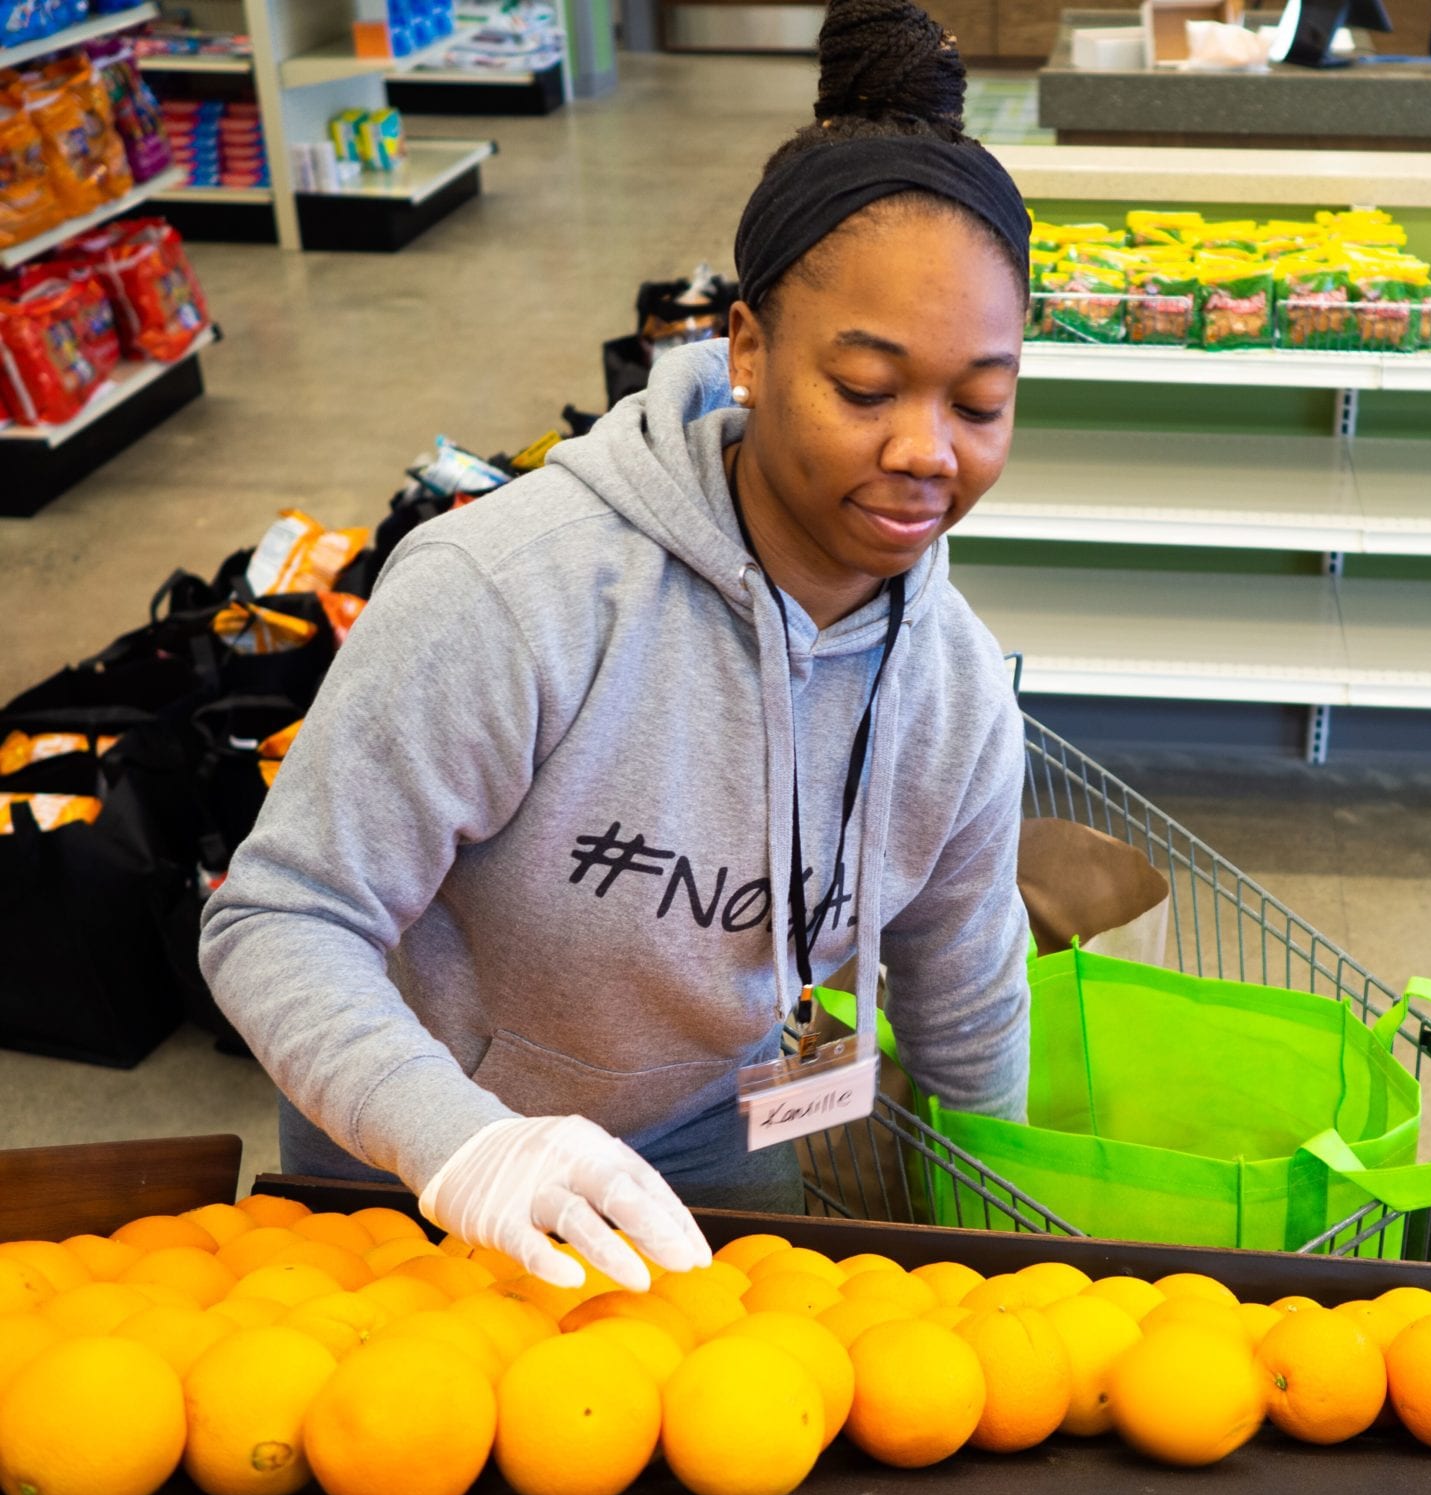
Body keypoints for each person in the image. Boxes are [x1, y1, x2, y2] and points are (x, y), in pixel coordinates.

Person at [199, 0, 1034, 1294]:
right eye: (867, 389)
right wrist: (465, 1151)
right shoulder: (516, 592)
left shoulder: (957, 700)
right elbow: (280, 916)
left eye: (980, 401)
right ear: (746, 348)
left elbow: (967, 1008)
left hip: (699, 1156)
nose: (929, 450)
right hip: (406, 1163)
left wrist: (1009, 1268)